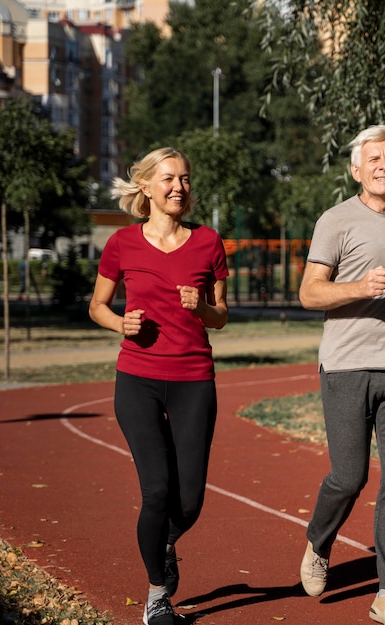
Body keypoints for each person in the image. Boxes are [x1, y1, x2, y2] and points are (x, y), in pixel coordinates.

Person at [298, 124, 385, 625]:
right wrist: (359, 286)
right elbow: (310, 293)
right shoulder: (335, 220)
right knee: (349, 475)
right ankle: (319, 542)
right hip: (347, 366)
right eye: (374, 158)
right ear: (356, 169)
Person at [89, 147, 229, 625]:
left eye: (186, 179)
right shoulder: (122, 243)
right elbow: (98, 307)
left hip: (194, 380)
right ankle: (156, 597)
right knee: (156, 491)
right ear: (146, 186)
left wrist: (201, 308)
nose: (179, 188)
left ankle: (166, 541)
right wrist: (119, 325)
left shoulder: (208, 242)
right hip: (138, 380)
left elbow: (222, 316)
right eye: (168, 178)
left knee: (188, 501)